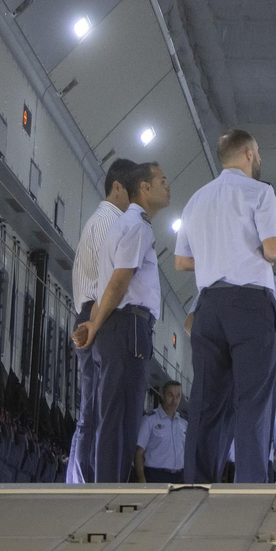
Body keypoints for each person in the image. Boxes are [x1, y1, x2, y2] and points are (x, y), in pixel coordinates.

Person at [176, 129, 276, 483]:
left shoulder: (197, 199)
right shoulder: (260, 192)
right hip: (250, 304)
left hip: (209, 305)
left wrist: (216, 257)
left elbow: (181, 261)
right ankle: (251, 487)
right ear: (250, 154)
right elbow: (272, 249)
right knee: (253, 400)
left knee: (206, 402)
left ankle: (196, 482)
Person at [73, 159, 171, 481]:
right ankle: (109, 493)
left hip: (116, 325)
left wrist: (94, 324)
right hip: (127, 325)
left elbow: (108, 284)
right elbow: (119, 280)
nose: (167, 185)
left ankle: (106, 489)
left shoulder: (122, 224)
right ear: (144, 188)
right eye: (161, 180)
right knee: (122, 418)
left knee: (112, 415)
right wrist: (95, 324)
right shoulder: (136, 225)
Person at [65, 157, 136, 483]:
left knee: (93, 409)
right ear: (117, 187)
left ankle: (82, 481)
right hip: (97, 316)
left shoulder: (101, 220)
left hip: (91, 314)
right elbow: (113, 280)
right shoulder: (110, 221)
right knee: (98, 410)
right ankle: (87, 482)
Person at [135, 381, 186, 483]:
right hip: (156, 476)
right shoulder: (150, 420)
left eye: (178, 396)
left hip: (179, 477)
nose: (174, 400)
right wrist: (141, 479)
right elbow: (138, 453)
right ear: (162, 395)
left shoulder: (184, 423)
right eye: (170, 395)